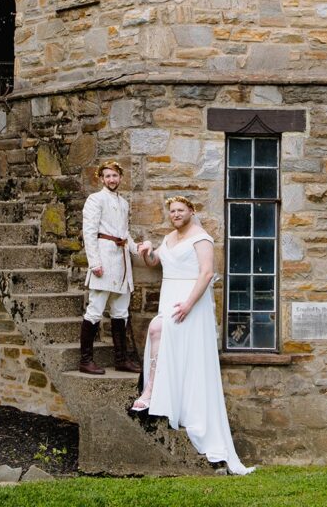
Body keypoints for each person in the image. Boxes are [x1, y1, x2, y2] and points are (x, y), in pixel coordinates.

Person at [135, 196, 255, 475]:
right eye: (172, 211)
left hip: (190, 301)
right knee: (164, 338)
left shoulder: (202, 238)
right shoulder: (169, 238)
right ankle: (159, 394)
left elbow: (206, 273)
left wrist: (189, 304)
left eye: (180, 210)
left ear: (191, 211)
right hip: (170, 296)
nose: (176, 215)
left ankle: (152, 393)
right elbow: (155, 262)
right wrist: (147, 251)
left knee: (160, 331)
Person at [80, 159, 140, 375]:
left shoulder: (123, 203)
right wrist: (94, 262)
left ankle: (121, 360)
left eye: (115, 175)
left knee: (121, 312)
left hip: (122, 263)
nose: (112, 179)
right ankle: (85, 361)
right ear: (101, 178)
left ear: (120, 178)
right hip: (104, 260)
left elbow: (124, 233)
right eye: (107, 176)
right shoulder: (95, 200)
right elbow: (89, 232)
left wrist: (136, 248)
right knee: (95, 309)